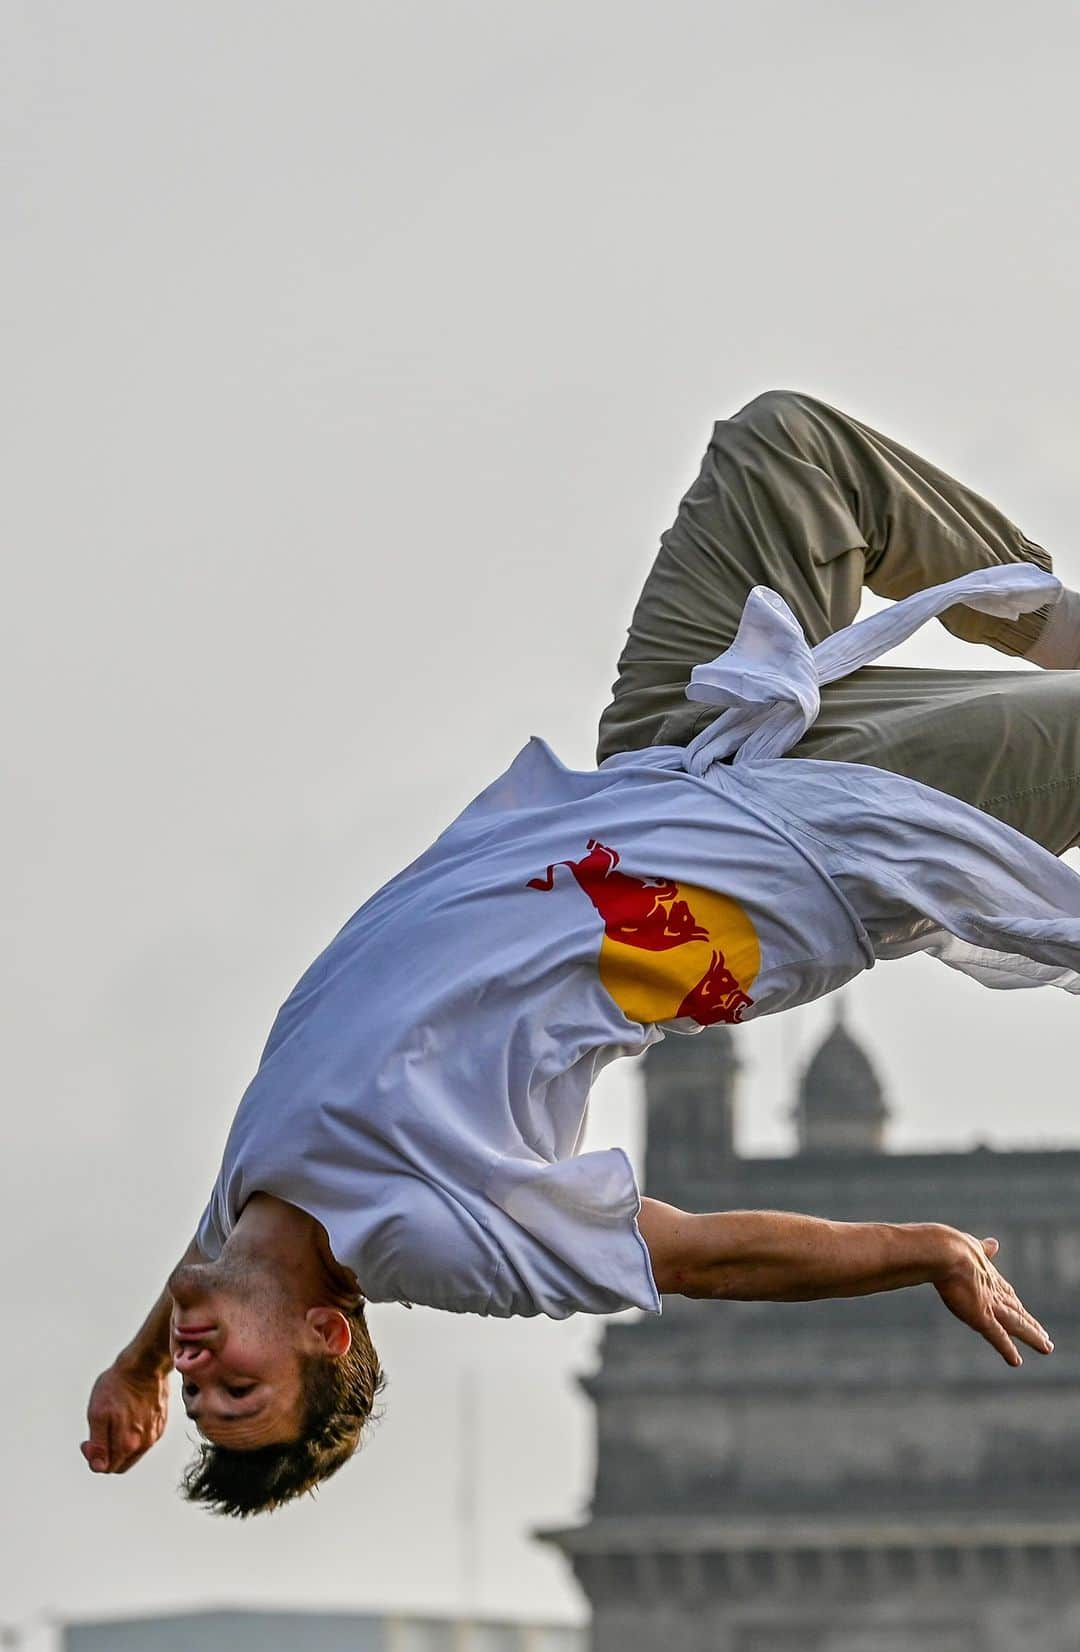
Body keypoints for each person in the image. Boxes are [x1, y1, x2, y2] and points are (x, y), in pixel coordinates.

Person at [83, 392, 1080, 1517]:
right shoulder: (438, 1237)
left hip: (665, 754)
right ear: (326, 1329)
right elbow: (699, 1253)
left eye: (199, 1387)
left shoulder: (252, 1204)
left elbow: (202, 1279)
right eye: (241, 1387)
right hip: (801, 852)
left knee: (788, 444)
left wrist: (134, 1368)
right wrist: (924, 1250)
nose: (202, 1368)